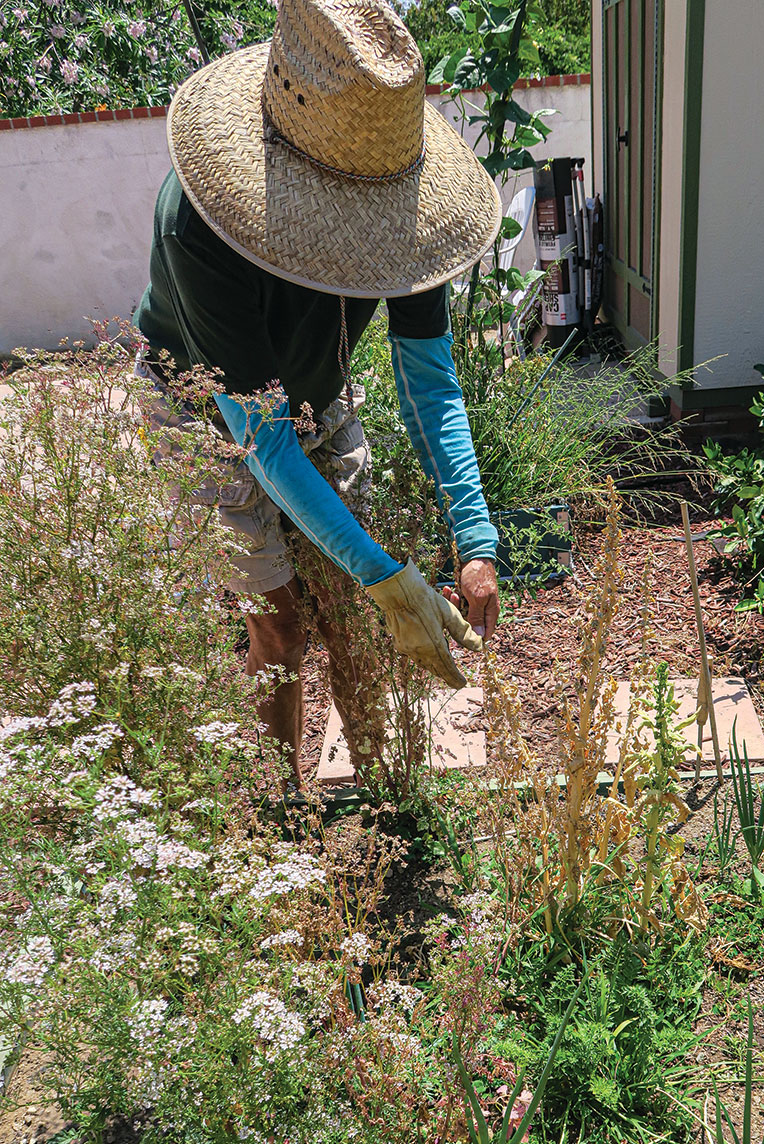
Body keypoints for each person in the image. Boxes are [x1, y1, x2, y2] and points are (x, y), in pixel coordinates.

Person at [133, 0, 503, 783]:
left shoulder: (411, 214)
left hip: (315, 394)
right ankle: (287, 805)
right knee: (279, 623)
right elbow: (259, 438)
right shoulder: (199, 225)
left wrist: (475, 544)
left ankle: (378, 797)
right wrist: (387, 574)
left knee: (353, 612)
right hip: (203, 411)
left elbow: (429, 381)